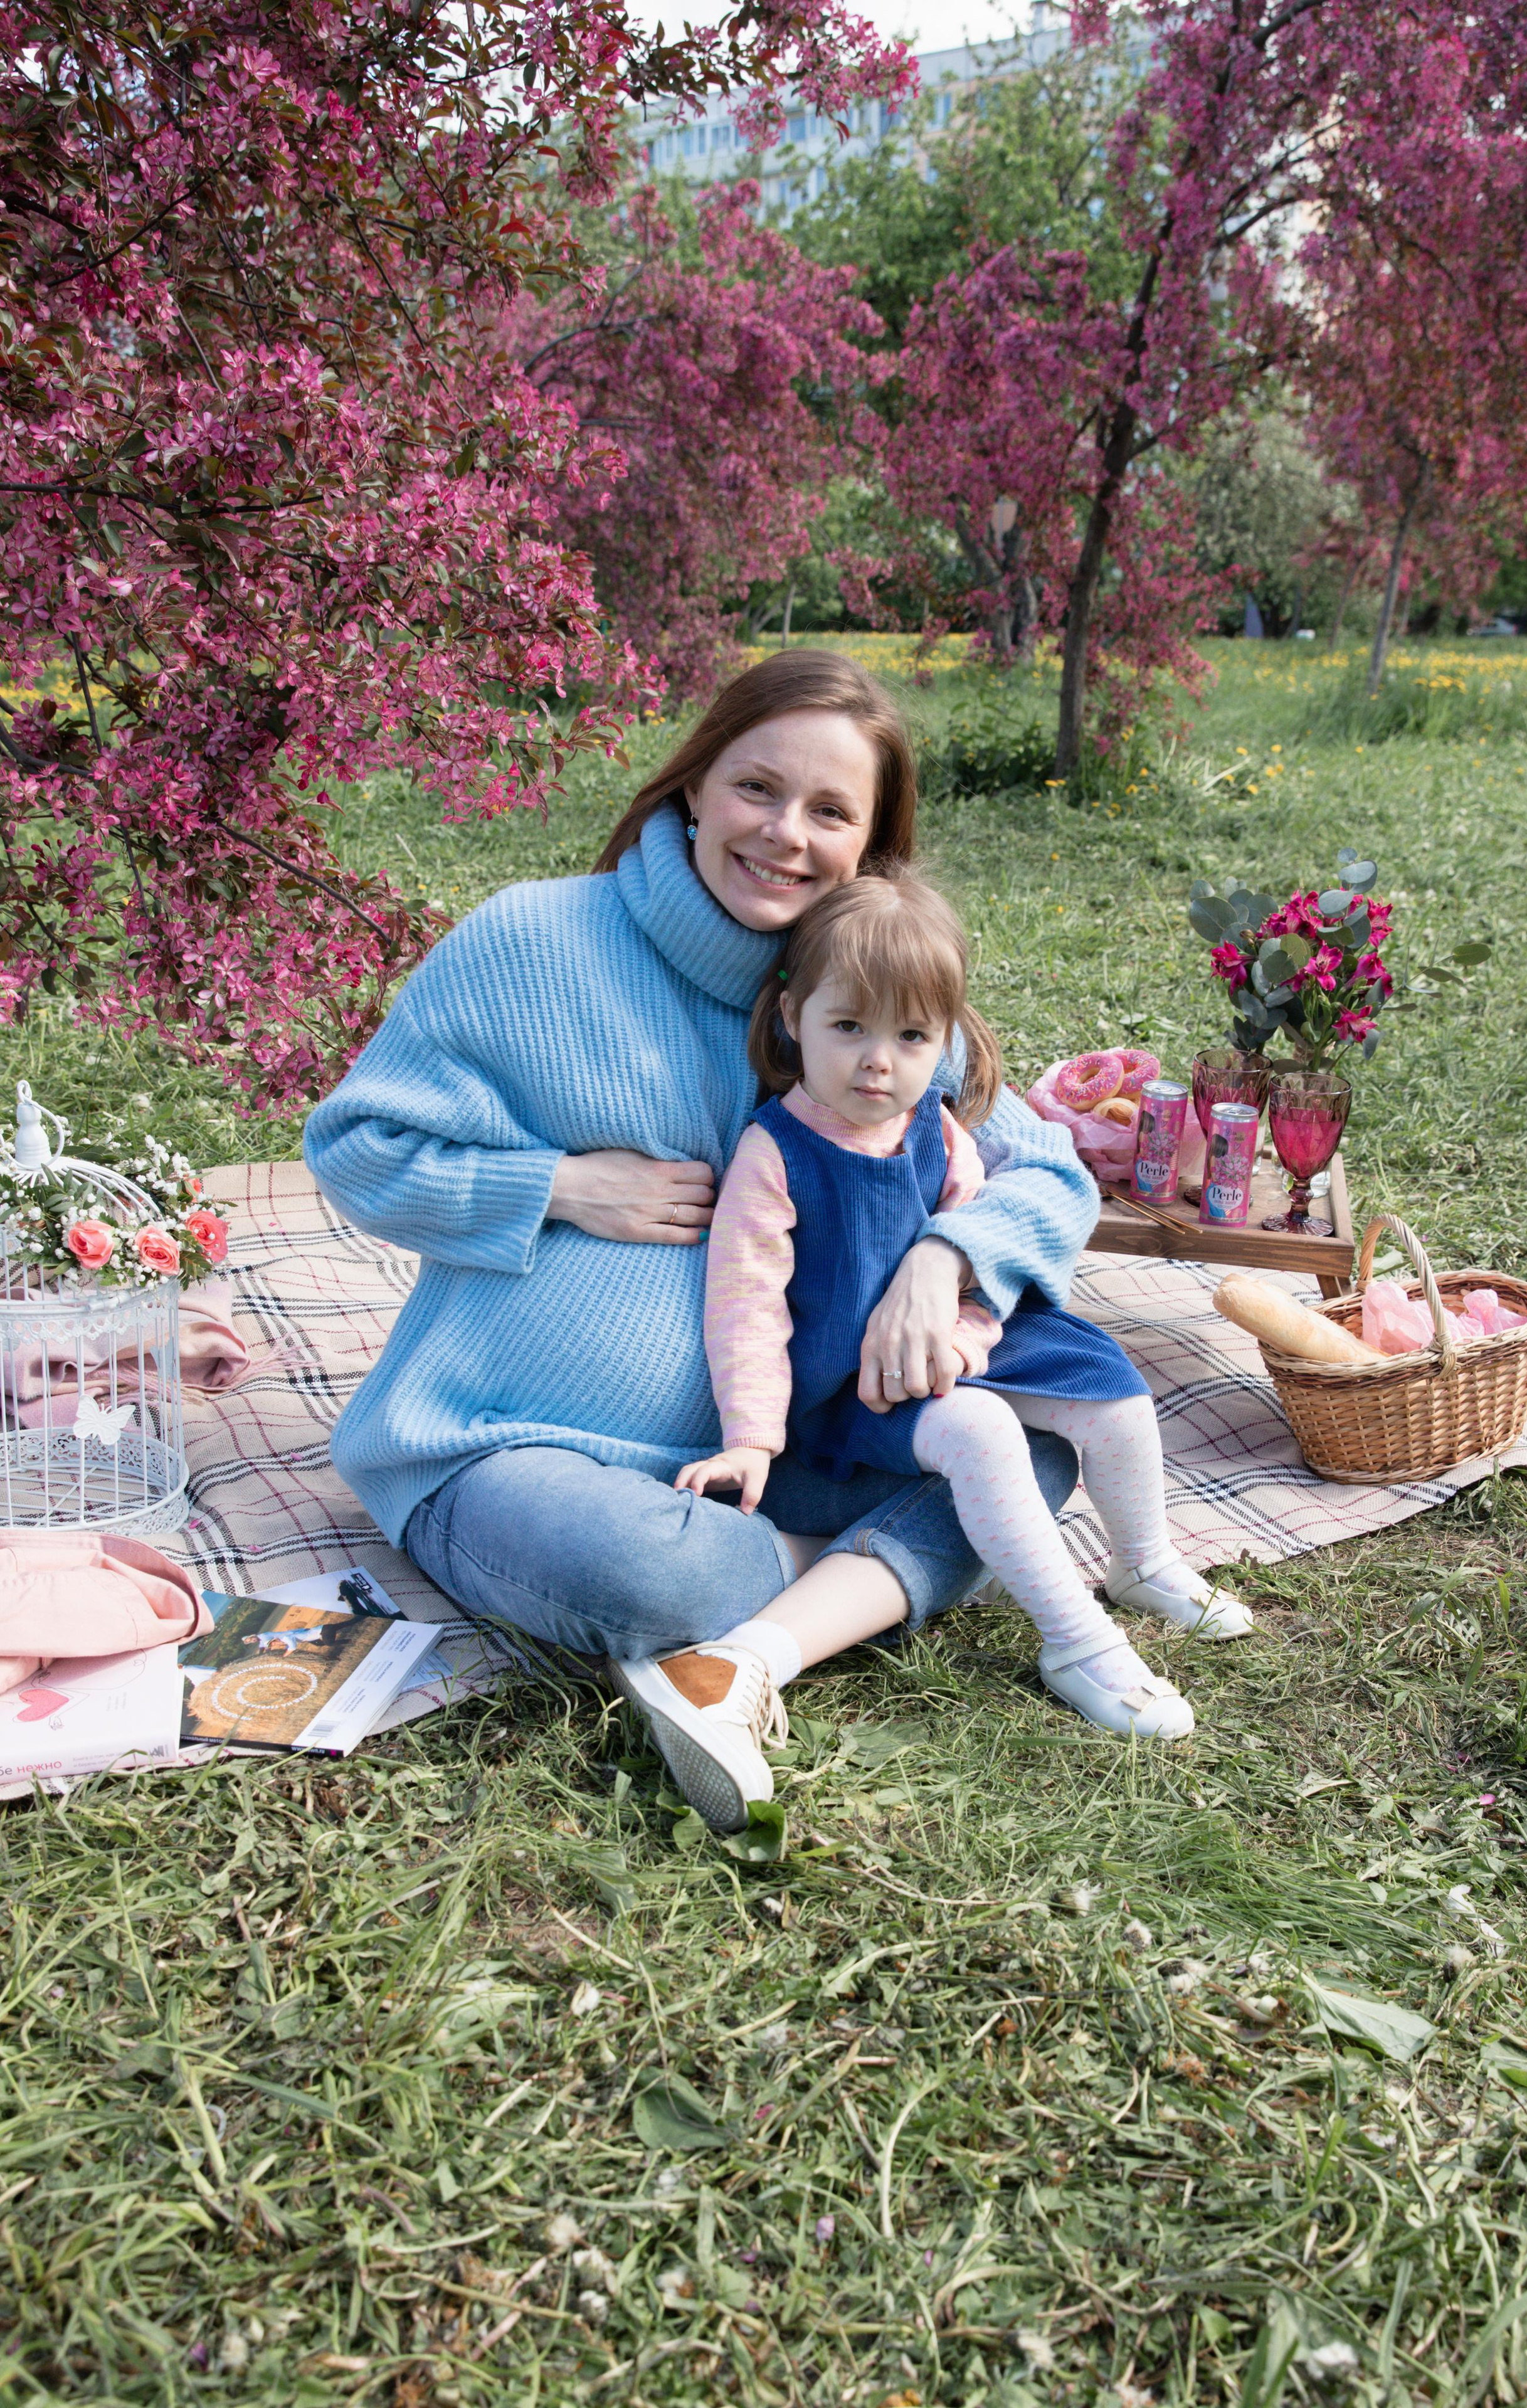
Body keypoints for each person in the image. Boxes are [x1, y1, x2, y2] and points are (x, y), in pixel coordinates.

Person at [303, 651, 1098, 1832]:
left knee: (1029, 1453)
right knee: (653, 1572)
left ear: (870, 845)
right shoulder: (534, 943)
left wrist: (952, 1258)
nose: (785, 835)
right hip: (508, 1450)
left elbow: (1054, 1173)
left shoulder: (862, 987)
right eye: (756, 790)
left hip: (773, 1451)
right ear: (692, 786)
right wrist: (561, 1186)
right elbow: (359, 1148)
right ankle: (828, 1585)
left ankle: (745, 1653)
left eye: (831, 811)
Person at [618, 869, 1251, 1787]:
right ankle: (1075, 1638)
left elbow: (976, 1242)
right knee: (983, 1431)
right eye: (849, 1029)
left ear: (944, 1040)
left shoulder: (937, 1126)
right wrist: (752, 1439)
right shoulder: (776, 1152)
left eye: (911, 1036)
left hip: (953, 1344)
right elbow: (745, 1308)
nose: (878, 1061)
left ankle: (1143, 1562)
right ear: (793, 1016)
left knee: (1111, 1388)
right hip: (849, 1385)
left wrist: (968, 1329)